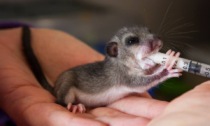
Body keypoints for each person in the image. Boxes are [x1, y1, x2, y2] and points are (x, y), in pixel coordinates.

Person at [0, 27, 209, 126]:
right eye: (132, 41)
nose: (152, 40)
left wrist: (162, 68)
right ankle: (65, 102)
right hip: (76, 84)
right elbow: (136, 84)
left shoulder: (131, 62)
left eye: (148, 34)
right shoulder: (119, 70)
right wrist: (164, 72)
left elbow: (143, 73)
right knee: (67, 79)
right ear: (114, 51)